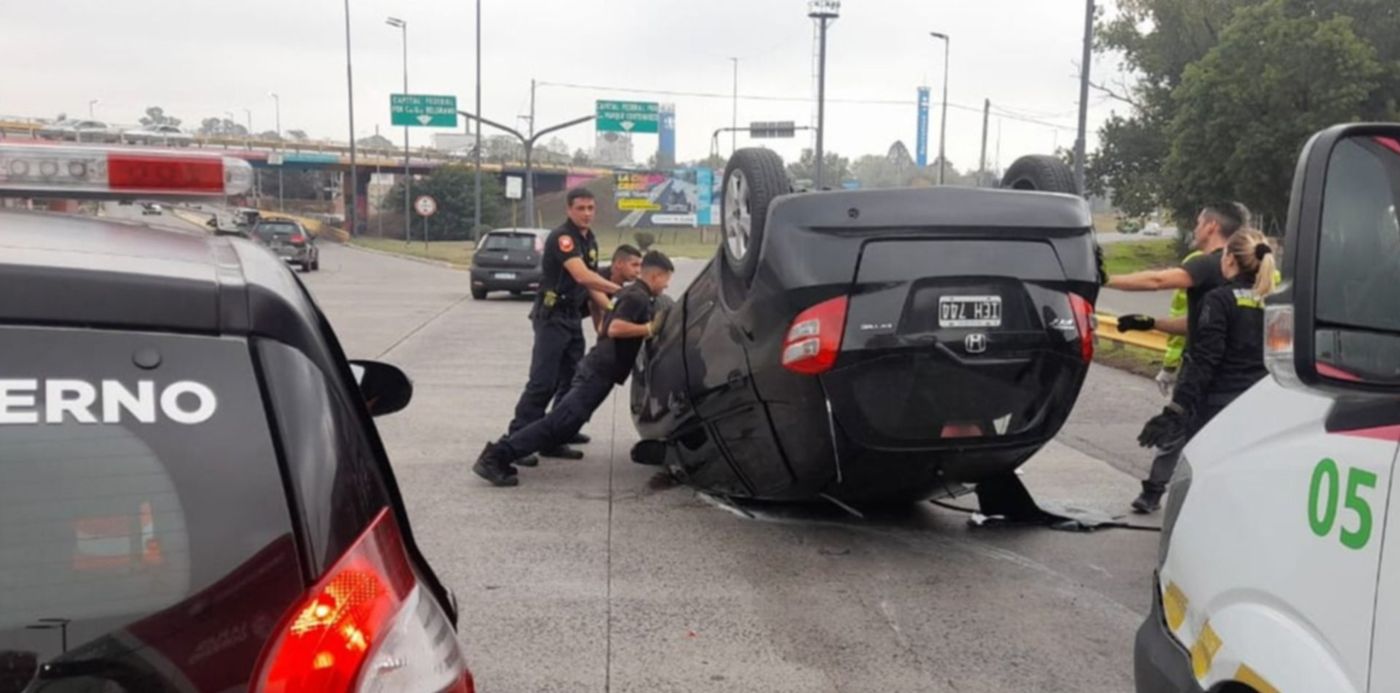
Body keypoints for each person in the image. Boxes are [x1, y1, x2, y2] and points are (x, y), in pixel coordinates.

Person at [473, 251, 675, 486]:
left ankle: (508, 452)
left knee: (564, 425)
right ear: (656, 276)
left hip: (599, 371)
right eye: (666, 279)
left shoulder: (630, 293)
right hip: (597, 373)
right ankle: (496, 456)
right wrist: (648, 329)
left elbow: (604, 326)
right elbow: (614, 329)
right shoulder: (637, 297)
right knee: (557, 423)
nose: (667, 285)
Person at [1105, 202, 1249, 513]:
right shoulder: (1249, 276)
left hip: (1204, 370)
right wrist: (1152, 323)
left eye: (1198, 222)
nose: (1195, 229)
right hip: (1239, 376)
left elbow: (1157, 281)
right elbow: (1203, 324)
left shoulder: (1208, 264)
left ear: (1212, 226)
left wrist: (1104, 279)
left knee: (1178, 427)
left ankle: (1162, 495)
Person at [1136, 230, 1275, 459]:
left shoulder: (1219, 300)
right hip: (1261, 405)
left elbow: (1205, 359)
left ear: (1230, 259)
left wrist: (1174, 411)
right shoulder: (1275, 303)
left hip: (1218, 407)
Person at [507, 188, 620, 466]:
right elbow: (582, 276)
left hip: (572, 318)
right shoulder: (563, 238)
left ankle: (554, 436)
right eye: (580, 208)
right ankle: (517, 439)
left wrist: (611, 313)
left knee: (571, 380)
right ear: (569, 210)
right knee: (542, 382)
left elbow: (591, 287)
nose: (586, 214)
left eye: (590, 208)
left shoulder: (589, 240)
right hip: (552, 317)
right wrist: (623, 291)